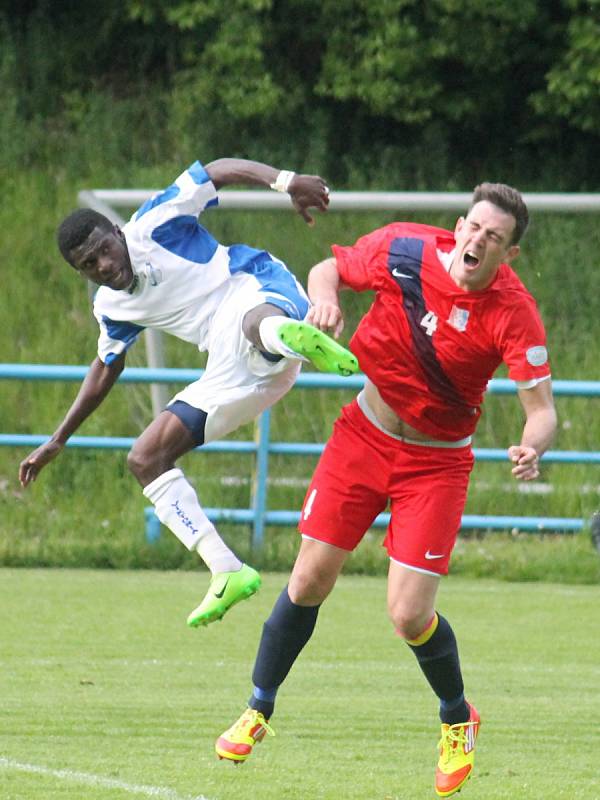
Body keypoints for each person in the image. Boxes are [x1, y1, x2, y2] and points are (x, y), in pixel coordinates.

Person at [216, 183, 557, 796]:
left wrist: (534, 444)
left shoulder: (513, 309)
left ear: (508, 253)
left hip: (437, 464)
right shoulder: (404, 249)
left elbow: (543, 409)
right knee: (308, 580)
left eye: (494, 238)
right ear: (460, 225)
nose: (478, 240)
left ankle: (458, 719)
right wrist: (323, 303)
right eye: (474, 227)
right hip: (363, 437)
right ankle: (258, 708)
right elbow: (328, 268)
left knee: (408, 614)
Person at [18, 158, 358, 628]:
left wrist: (286, 183)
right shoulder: (111, 306)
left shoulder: (156, 221)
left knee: (253, 325)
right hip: (230, 365)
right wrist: (58, 438)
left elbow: (216, 169)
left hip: (258, 288)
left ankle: (293, 337)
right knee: (145, 458)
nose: (104, 265)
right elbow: (105, 367)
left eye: (103, 249)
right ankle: (227, 569)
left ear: (117, 232)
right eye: (89, 265)